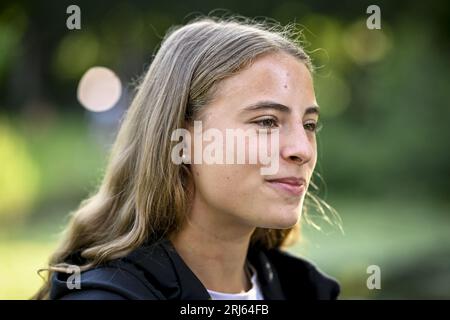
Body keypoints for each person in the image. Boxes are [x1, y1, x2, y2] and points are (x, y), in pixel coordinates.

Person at [34, 17, 340, 300]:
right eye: (266, 122)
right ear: (181, 138)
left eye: (309, 125)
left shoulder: (306, 289)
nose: (303, 149)